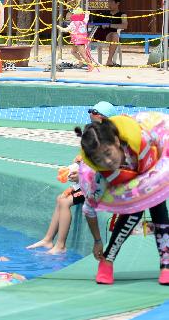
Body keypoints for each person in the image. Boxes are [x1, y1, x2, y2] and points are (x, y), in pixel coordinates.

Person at [76, 117, 169, 285]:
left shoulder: (143, 141)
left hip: (153, 175)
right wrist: (97, 241)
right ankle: (107, 260)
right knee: (134, 210)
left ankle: (166, 265)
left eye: (108, 153)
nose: (107, 162)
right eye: (99, 160)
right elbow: (88, 209)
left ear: (117, 141)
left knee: (157, 204)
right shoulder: (100, 179)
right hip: (129, 197)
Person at [27, 102, 118, 253]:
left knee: (65, 202)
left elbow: (105, 169)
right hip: (89, 183)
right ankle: (48, 239)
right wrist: (74, 172)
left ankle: (61, 245)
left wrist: (80, 177)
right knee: (60, 198)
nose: (89, 113)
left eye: (92, 111)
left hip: (101, 187)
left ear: (101, 117)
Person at [93, 0, 127, 67]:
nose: (109, 4)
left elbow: (125, 25)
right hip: (99, 34)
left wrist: (109, 25)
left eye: (111, 2)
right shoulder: (103, 13)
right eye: (108, 2)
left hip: (110, 35)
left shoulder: (122, 14)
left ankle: (109, 60)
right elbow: (94, 22)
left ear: (117, 3)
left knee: (115, 35)